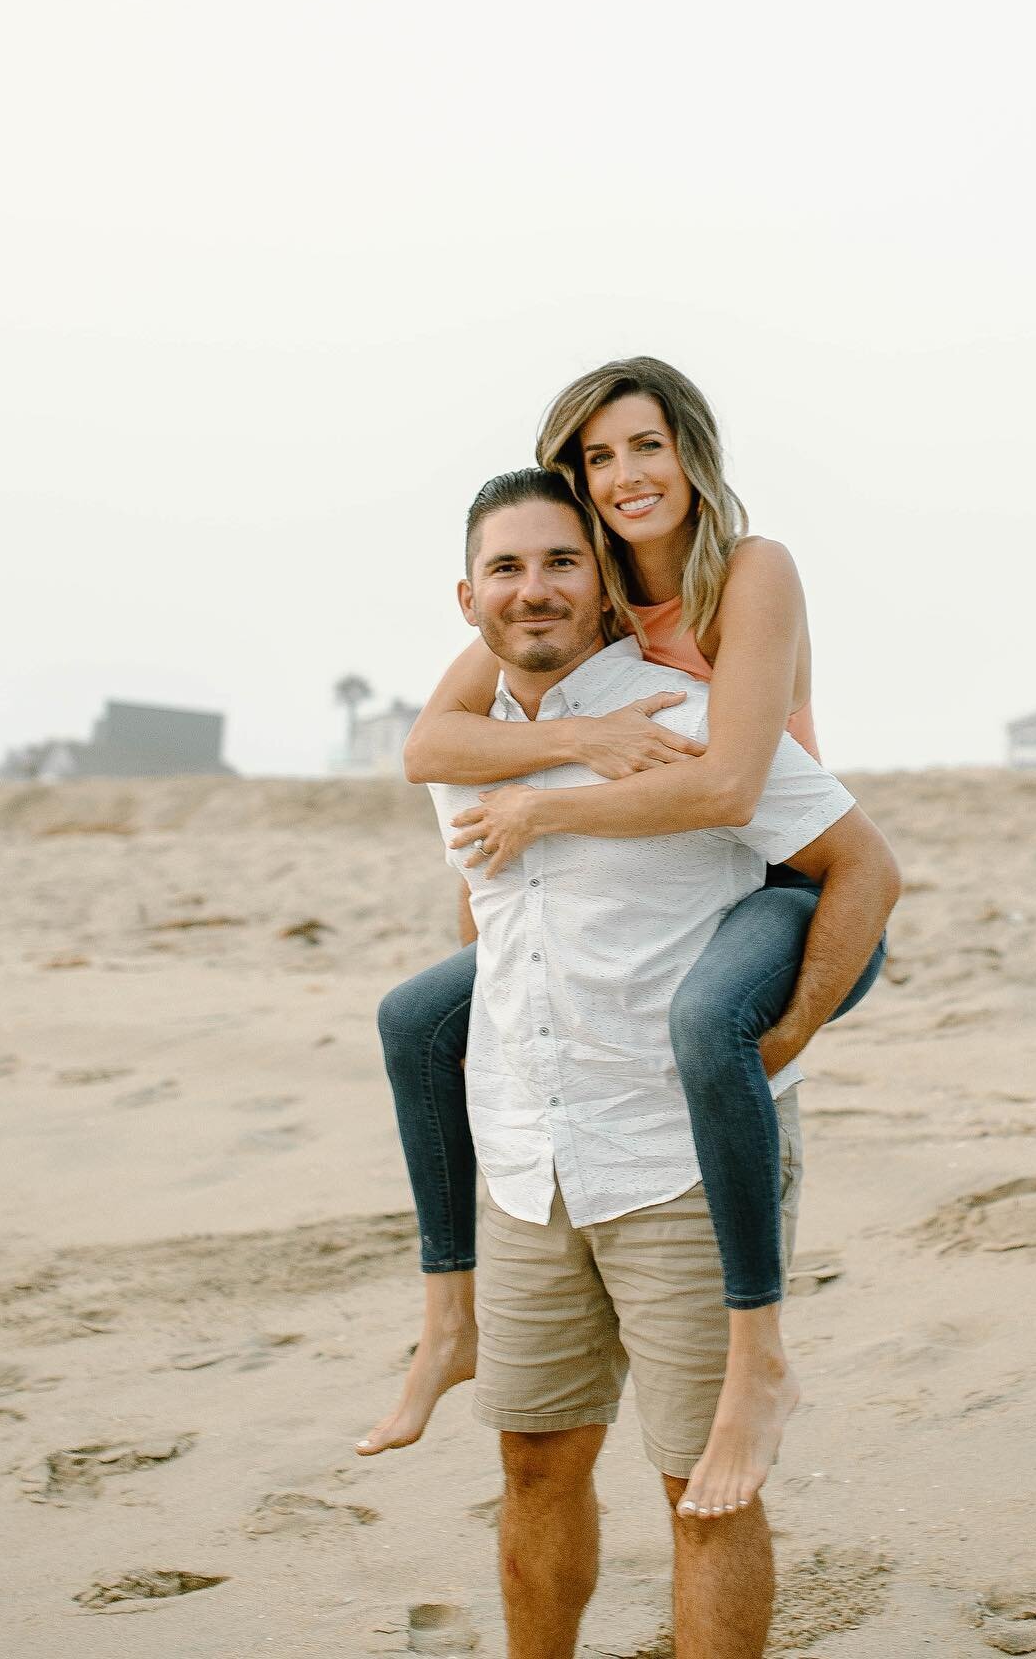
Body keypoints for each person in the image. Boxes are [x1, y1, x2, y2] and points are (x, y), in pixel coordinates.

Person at [360, 357, 892, 1518]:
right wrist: (584, 738)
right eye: (599, 456)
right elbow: (431, 744)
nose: (626, 474)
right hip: (674, 863)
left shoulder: (749, 571)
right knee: (415, 1019)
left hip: (778, 888)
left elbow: (731, 785)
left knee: (709, 1028)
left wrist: (548, 797)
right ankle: (448, 1314)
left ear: (692, 453)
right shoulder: (581, 577)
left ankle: (757, 1359)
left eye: (646, 445)